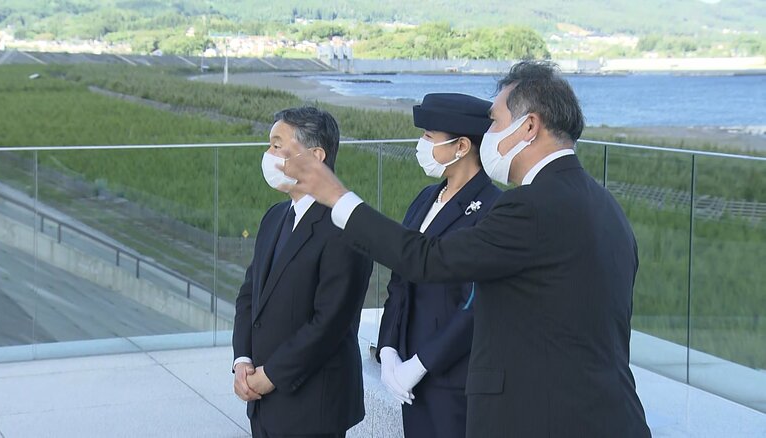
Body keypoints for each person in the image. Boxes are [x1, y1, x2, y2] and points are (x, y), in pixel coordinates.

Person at [279, 62, 651, 437]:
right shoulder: (608, 208)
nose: (487, 134)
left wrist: (337, 197)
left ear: (529, 127)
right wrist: (391, 347)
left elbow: (429, 259)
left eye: (494, 122)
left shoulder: (529, 207)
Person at [232, 106, 373, 438]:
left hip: (313, 405)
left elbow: (329, 324)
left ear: (316, 156)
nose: (269, 155)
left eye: (278, 145)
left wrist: (271, 376)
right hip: (263, 401)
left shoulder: (345, 227)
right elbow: (250, 295)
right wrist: (242, 360)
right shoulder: (275, 217)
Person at [378, 93, 501, 438]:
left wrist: (421, 364)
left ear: (461, 146)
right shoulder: (425, 198)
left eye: (429, 136)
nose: (422, 144)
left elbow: (476, 304)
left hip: (451, 380)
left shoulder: (493, 209)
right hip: (407, 372)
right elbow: (400, 277)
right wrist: (388, 348)